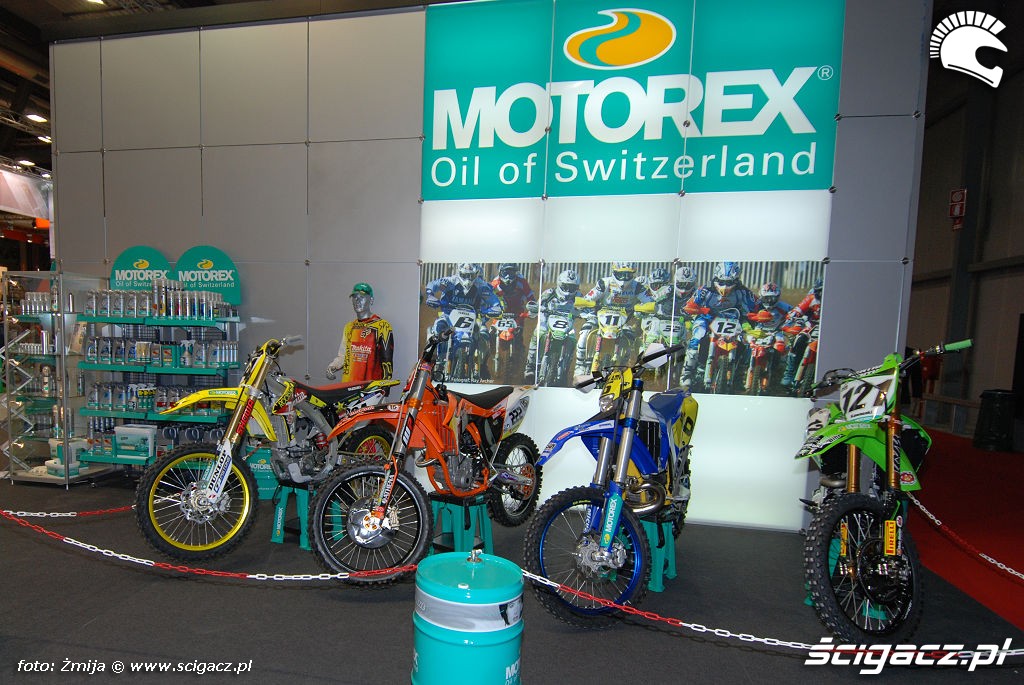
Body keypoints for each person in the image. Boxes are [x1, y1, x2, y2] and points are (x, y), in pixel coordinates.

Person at [678, 261, 757, 390]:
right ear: (716, 278)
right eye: (722, 281)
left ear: (736, 280)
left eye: (729, 282)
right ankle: (687, 372)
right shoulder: (706, 289)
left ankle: (740, 373)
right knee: (697, 336)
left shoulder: (743, 291)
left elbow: (756, 305)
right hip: (707, 319)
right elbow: (691, 303)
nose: (725, 286)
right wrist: (693, 308)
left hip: (733, 321)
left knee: (748, 342)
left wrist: (758, 314)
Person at [425, 262, 503, 380]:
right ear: (459, 273)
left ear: (476, 274)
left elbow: (493, 300)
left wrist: (496, 307)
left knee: (483, 334)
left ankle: (481, 365)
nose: (468, 279)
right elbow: (433, 284)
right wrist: (430, 295)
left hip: (472, 317)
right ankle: (430, 361)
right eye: (465, 275)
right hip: (448, 314)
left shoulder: (481, 285)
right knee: (438, 328)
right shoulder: (450, 282)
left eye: (471, 275)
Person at [574, 261, 652, 375]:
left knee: (630, 337)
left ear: (633, 274)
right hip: (600, 317)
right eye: (621, 274)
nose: (624, 278)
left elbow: (650, 302)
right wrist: (585, 302)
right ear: (614, 272)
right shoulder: (604, 283)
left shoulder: (638, 287)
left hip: (623, 321)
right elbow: (589, 297)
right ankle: (580, 364)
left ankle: (622, 366)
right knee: (586, 330)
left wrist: (645, 307)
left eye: (628, 274)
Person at [326, 282, 394, 382]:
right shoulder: (349, 327)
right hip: (348, 386)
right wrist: (333, 366)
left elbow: (387, 361)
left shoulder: (382, 326)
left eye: (362, 297)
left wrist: (385, 386)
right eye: (355, 297)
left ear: (371, 300)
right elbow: (343, 355)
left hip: (370, 387)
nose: (357, 301)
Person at [524, 268, 582, 382]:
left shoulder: (579, 296)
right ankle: (530, 365)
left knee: (573, 339)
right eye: (566, 287)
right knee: (538, 332)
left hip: (567, 324)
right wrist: (535, 309)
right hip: (547, 320)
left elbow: (586, 308)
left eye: (572, 288)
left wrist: (587, 313)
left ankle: (566, 365)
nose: (568, 291)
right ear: (559, 284)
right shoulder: (549, 293)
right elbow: (537, 306)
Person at [781, 278, 823, 388]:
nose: (821, 294)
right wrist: (791, 317)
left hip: (829, 329)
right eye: (819, 291)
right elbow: (798, 309)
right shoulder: (811, 298)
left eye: (823, 291)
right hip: (811, 326)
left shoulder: (836, 301)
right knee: (798, 341)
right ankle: (789, 373)